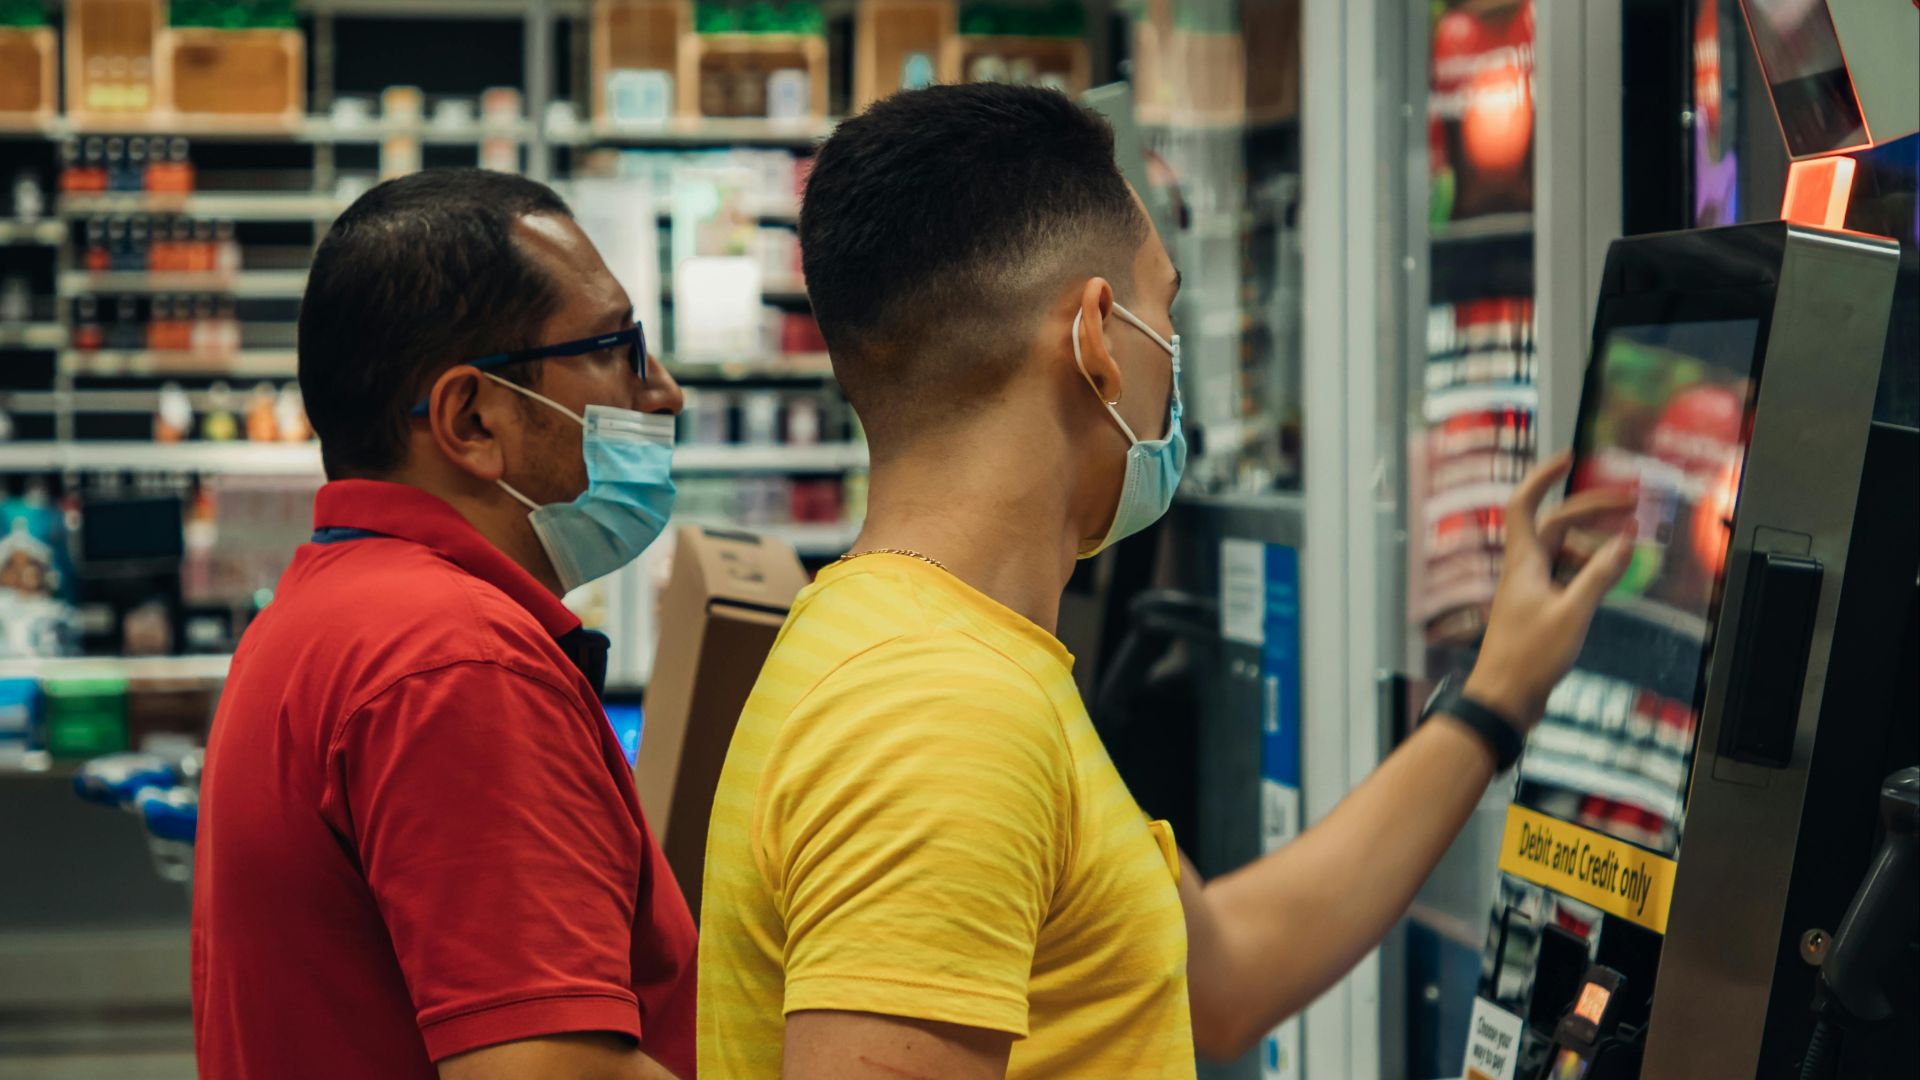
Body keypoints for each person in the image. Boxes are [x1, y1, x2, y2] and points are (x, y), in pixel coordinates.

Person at [697, 84, 1636, 1078]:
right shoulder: (943, 709)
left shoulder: (922, 649)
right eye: (1166, 307)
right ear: (1098, 338)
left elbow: (1224, 975)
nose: (1173, 359)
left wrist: (1495, 698)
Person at [193, 169, 694, 1080]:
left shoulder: (332, 610)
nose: (663, 393)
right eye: (621, 347)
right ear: (471, 418)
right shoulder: (457, 662)